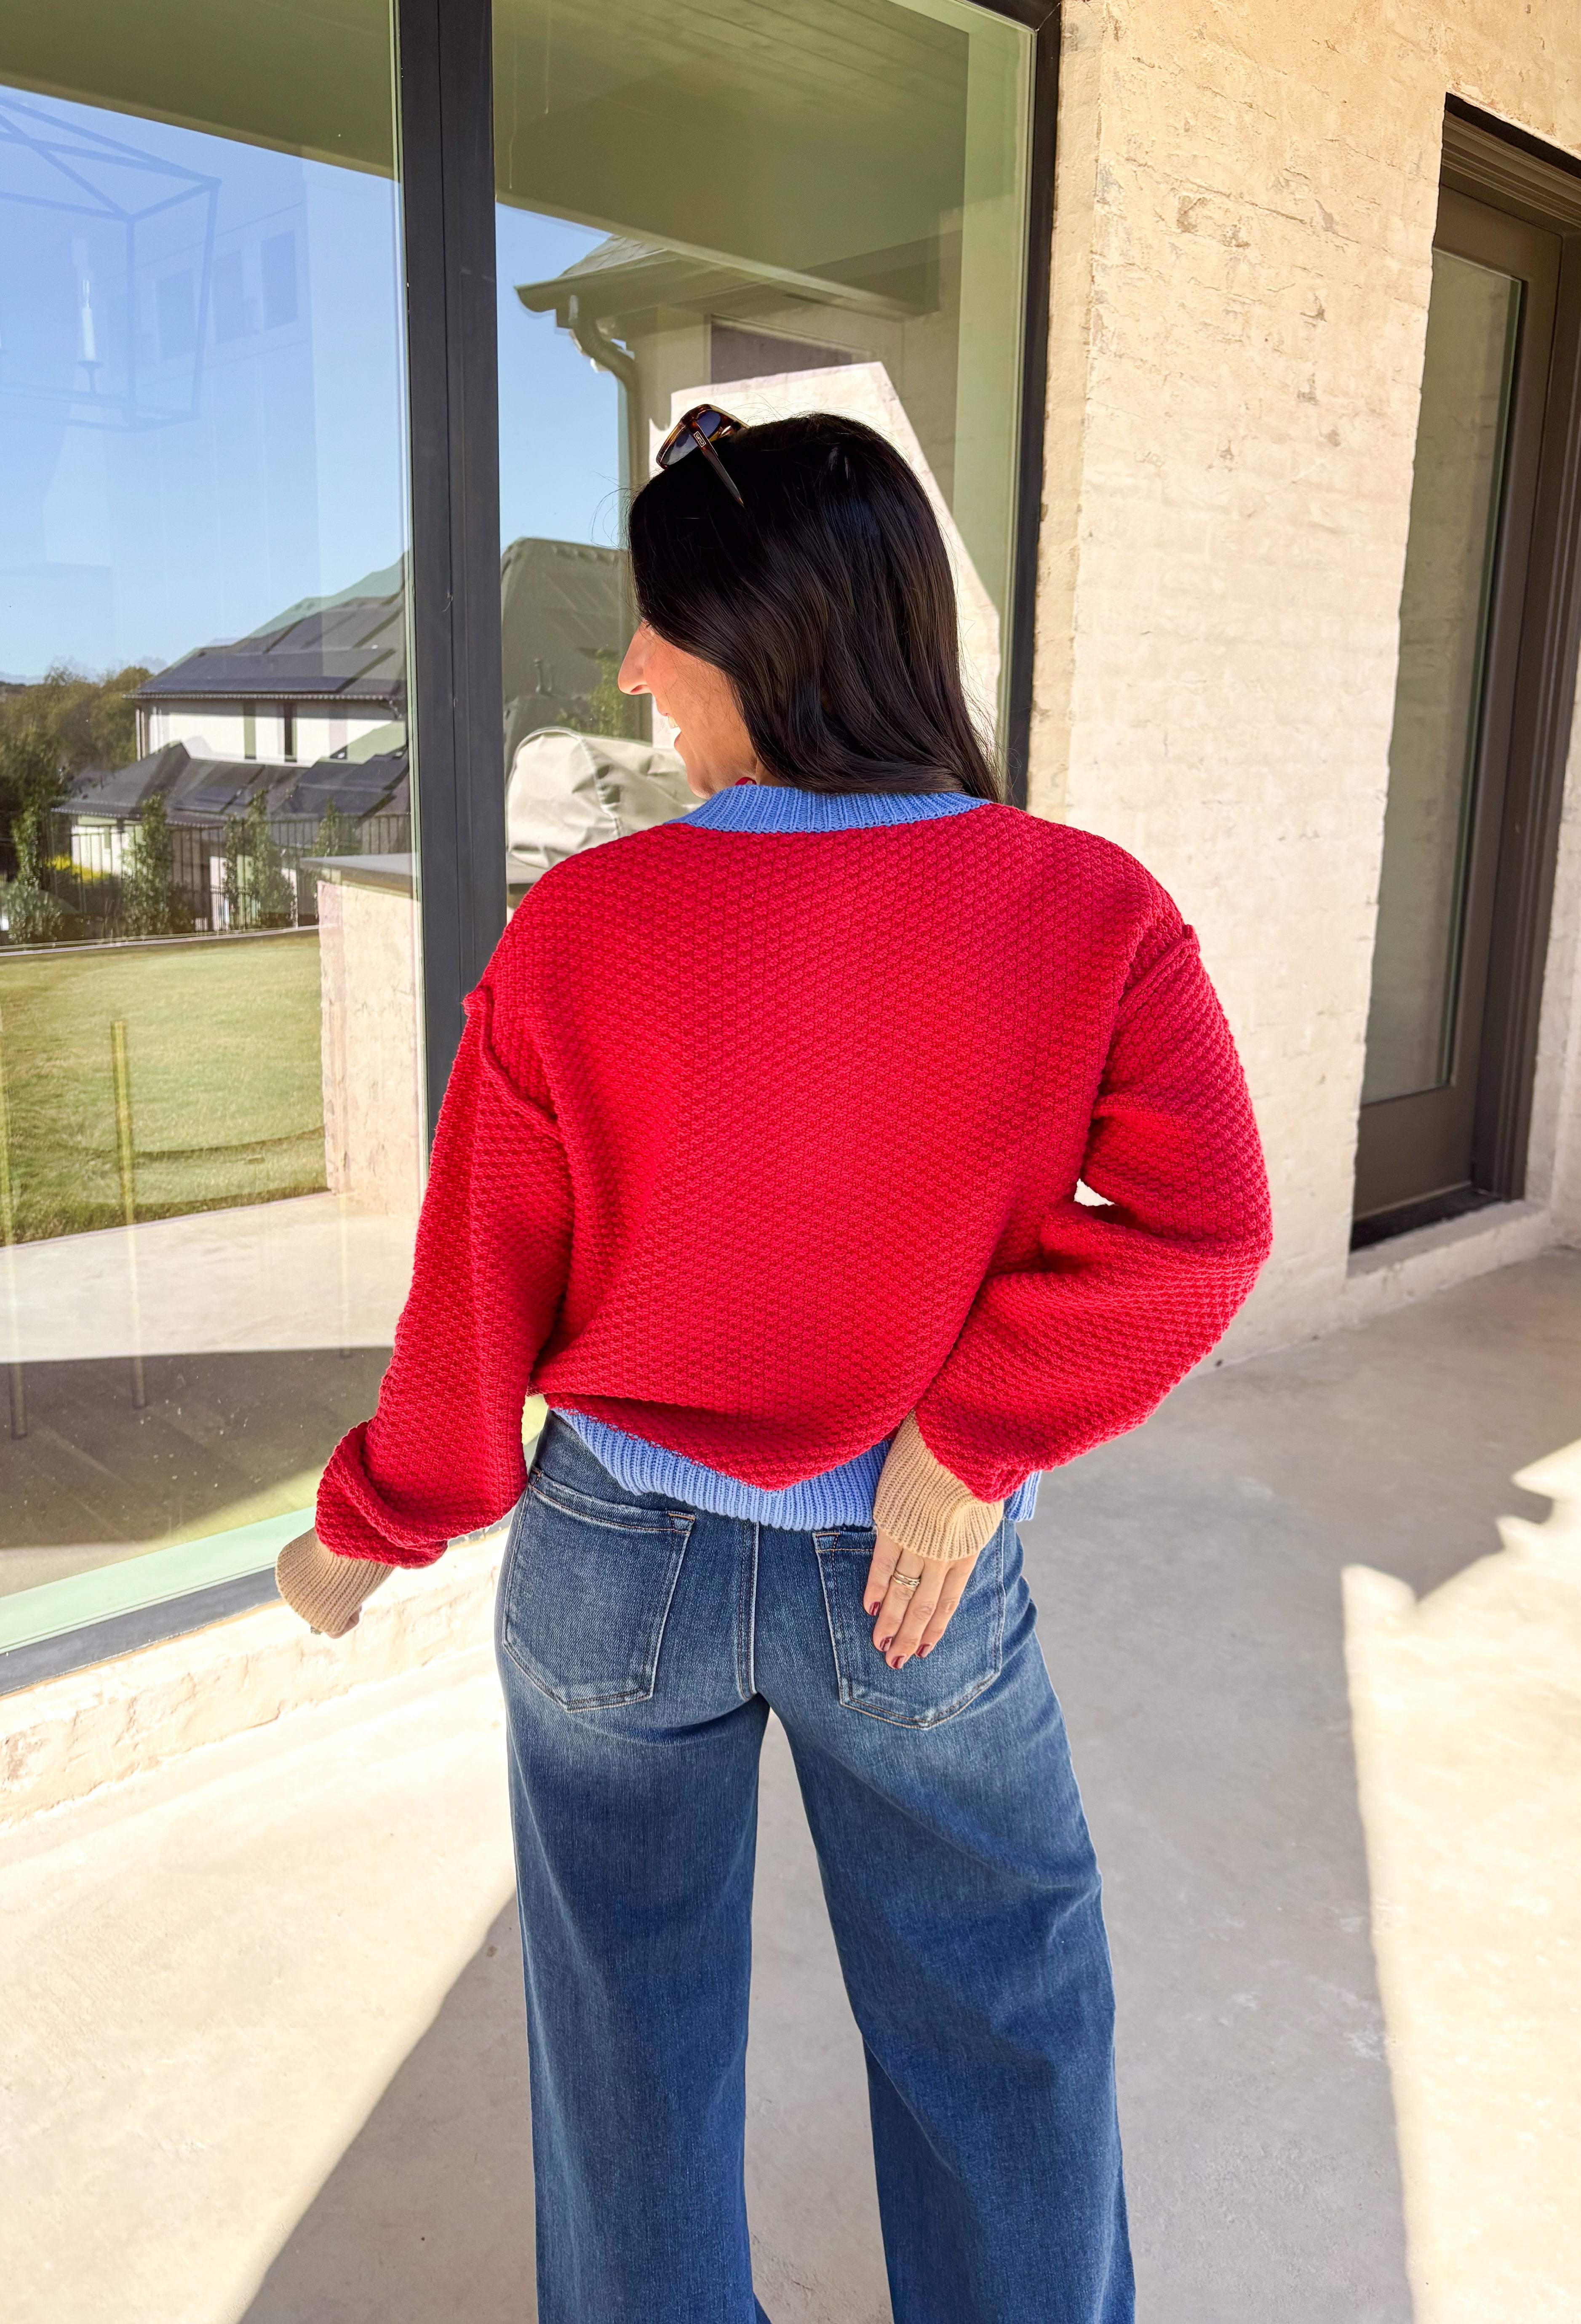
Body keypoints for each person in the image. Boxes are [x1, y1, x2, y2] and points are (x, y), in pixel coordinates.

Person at [278, 408, 1272, 2324]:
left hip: (609, 1570)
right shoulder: (1086, 910)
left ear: (768, 640)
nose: (633, 667)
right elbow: (1201, 1224)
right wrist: (968, 1438)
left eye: (659, 626)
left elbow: (475, 1317)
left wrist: (358, 1536)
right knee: (1004, 2015)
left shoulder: (578, 932)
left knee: (624, 2061)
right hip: (907, 1586)